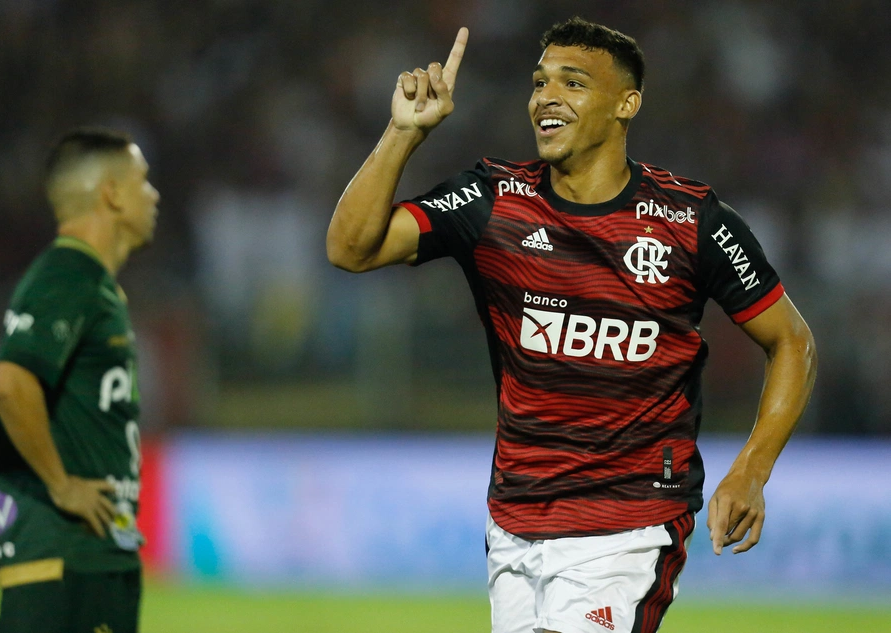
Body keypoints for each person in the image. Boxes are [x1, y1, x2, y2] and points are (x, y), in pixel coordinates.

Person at [327, 17, 816, 633]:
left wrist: (752, 467)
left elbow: (792, 341)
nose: (546, 97)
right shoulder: (493, 200)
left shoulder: (692, 222)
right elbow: (351, 249)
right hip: (514, 523)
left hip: (628, 523)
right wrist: (402, 134)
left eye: (574, 82)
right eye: (539, 82)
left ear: (626, 104)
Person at [0, 127, 159, 633]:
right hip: (61, 546)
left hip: (97, 547)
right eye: (143, 182)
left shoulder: (96, 285)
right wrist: (61, 485)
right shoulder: (67, 274)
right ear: (111, 194)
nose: (154, 195)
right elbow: (10, 382)